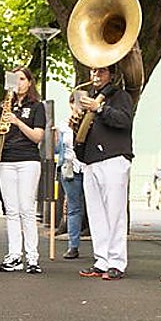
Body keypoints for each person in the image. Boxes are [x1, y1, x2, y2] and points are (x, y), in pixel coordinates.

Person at [73, 65, 135, 280]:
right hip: (91, 159)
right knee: (96, 214)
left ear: (112, 75)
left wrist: (99, 109)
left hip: (114, 158)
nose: (95, 76)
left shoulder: (121, 96)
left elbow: (124, 121)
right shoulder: (89, 96)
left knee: (115, 213)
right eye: (93, 72)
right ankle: (101, 260)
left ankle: (117, 261)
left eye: (101, 72)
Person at [0, 66, 47, 275]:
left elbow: (37, 137)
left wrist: (17, 122)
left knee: (27, 209)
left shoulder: (37, 107)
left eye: (22, 79)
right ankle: (14, 254)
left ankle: (32, 256)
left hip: (28, 160)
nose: (19, 83)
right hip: (5, 160)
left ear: (30, 82)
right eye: (15, 80)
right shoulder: (4, 106)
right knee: (12, 211)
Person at [58, 94, 86, 260]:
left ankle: (102, 247)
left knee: (97, 208)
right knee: (74, 207)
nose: (82, 105)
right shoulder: (63, 125)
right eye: (79, 102)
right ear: (71, 104)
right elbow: (58, 148)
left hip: (89, 167)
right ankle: (73, 246)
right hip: (71, 169)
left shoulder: (93, 120)